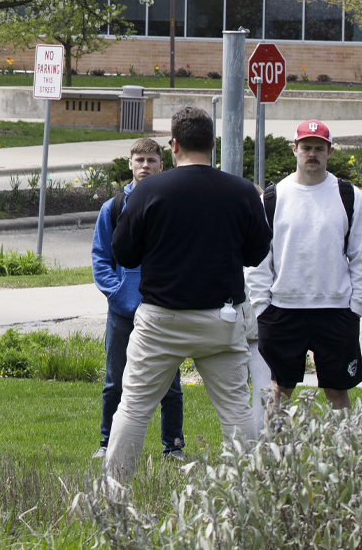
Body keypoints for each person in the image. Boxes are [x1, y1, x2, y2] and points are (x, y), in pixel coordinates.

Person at [104, 107, 269, 485]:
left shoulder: (147, 190)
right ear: (213, 144)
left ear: (173, 145)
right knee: (236, 410)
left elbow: (124, 253)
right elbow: (257, 252)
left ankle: (113, 493)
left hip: (161, 320)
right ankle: (248, 493)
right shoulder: (242, 191)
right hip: (221, 319)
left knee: (134, 407)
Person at [248, 120, 362, 411]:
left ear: (330, 153)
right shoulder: (272, 198)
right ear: (294, 149)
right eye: (306, 147)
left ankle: (344, 456)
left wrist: (355, 306)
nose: (312, 154)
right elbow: (256, 259)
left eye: (320, 148)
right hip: (282, 312)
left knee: (337, 392)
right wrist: (262, 306)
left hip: (335, 312)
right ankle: (275, 454)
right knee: (279, 392)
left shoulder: (349, 196)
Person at [91, 138, 184, 460]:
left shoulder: (172, 204)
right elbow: (100, 257)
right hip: (122, 312)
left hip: (162, 308)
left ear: (163, 164)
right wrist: (116, 292)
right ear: (130, 164)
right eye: (140, 159)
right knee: (114, 381)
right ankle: (106, 444)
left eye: (152, 160)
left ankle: (173, 446)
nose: (145, 165)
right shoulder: (114, 208)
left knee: (170, 384)